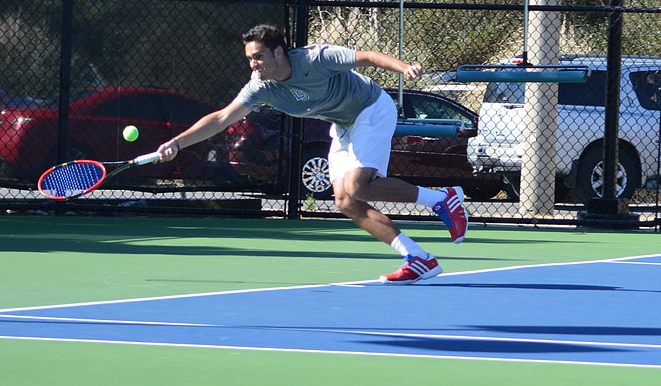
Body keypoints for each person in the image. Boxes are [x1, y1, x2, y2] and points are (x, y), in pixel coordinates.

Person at [156, 24, 468, 284]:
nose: (254, 64)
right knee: (346, 201)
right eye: (250, 58)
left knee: (358, 186)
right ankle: (418, 258)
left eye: (259, 56)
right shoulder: (260, 87)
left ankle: (441, 199)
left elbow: (369, 57)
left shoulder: (316, 58)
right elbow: (223, 118)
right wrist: (178, 142)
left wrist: (404, 68)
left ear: (279, 52)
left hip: (371, 108)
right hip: (343, 123)